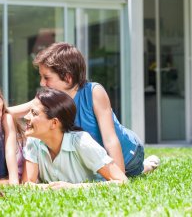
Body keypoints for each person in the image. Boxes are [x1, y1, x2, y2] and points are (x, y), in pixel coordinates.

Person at [10, 42, 159, 177]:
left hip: (128, 154)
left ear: (68, 78)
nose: (42, 82)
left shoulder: (94, 92)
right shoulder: (51, 100)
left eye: (46, 77)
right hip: (97, 158)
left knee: (132, 172)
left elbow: (110, 139)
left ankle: (145, 166)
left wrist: (119, 176)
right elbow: (15, 111)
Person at [22, 88, 128, 189]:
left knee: (137, 168)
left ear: (54, 123)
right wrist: (46, 187)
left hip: (131, 156)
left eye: (34, 113)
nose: (26, 117)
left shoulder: (82, 143)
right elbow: (27, 184)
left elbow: (122, 181)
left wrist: (72, 187)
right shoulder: (34, 141)